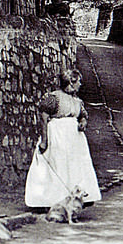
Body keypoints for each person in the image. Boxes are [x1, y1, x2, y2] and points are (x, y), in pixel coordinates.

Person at [24, 69, 102, 208]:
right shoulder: (55, 98)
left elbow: (83, 115)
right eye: (78, 82)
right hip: (58, 135)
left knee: (73, 167)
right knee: (57, 164)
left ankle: (75, 199)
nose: (80, 84)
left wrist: (83, 122)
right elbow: (44, 116)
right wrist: (44, 140)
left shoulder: (77, 101)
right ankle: (49, 201)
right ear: (71, 82)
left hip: (75, 140)